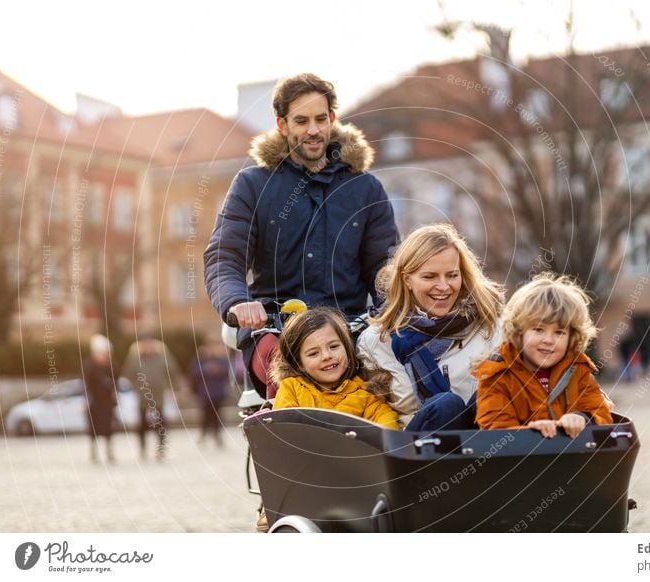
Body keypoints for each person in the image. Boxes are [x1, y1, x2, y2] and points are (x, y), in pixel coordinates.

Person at [203, 73, 399, 400]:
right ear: (282, 124)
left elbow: (384, 265)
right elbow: (224, 255)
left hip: (350, 329)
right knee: (290, 384)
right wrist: (237, 301)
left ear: (332, 119)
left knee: (387, 393)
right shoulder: (252, 185)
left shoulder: (365, 188)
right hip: (274, 327)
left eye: (321, 119)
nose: (313, 130)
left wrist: (391, 313)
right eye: (301, 120)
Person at [357, 223, 504, 431]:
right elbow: (371, 412)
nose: (444, 287)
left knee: (490, 393)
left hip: (484, 448)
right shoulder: (375, 341)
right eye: (429, 276)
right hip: (417, 453)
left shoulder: (495, 327)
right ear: (406, 279)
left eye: (452, 275)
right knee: (446, 405)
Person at [474, 272, 612, 436]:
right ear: (519, 332)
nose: (548, 340)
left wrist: (581, 417)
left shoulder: (578, 370)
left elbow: (600, 411)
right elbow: (494, 428)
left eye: (559, 332)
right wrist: (530, 433)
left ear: (572, 337)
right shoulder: (498, 374)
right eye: (538, 329)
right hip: (519, 459)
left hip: (572, 456)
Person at [271, 307, 399, 429]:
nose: (327, 356)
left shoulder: (364, 393)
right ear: (299, 363)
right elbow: (284, 428)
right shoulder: (291, 388)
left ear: (346, 347)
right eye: (313, 353)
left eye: (333, 346)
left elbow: (387, 423)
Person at [121, 332, 181, 460]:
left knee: (161, 424)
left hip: (158, 397)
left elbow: (173, 373)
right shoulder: (135, 359)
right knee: (142, 424)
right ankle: (143, 448)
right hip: (142, 397)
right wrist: (136, 387)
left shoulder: (162, 357)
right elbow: (128, 375)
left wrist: (176, 390)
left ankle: (161, 448)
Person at [188, 337, 231, 446]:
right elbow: (194, 372)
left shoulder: (221, 359)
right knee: (205, 415)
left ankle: (217, 436)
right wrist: (206, 369)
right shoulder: (200, 359)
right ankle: (203, 434)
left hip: (218, 392)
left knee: (217, 415)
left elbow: (228, 371)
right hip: (204, 393)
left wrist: (217, 369)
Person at [83, 334, 118, 463]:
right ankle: (94, 452)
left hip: (107, 403)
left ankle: (109, 452)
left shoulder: (111, 365)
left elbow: (116, 381)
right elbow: (86, 384)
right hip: (94, 403)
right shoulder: (89, 366)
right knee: (93, 429)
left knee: (109, 428)